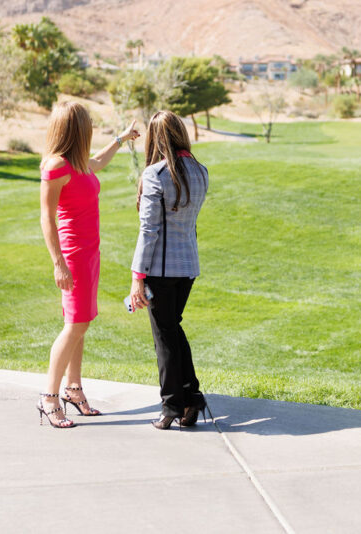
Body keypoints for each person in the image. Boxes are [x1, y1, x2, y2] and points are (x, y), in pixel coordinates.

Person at [38, 101, 140, 428]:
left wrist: (122, 139)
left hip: (90, 254)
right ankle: (49, 397)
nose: (91, 128)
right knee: (75, 325)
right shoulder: (56, 166)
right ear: (75, 129)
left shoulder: (79, 163)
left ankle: (74, 389)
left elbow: (98, 161)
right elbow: (46, 218)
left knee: (81, 322)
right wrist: (58, 263)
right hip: (72, 256)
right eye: (87, 124)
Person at [129, 111, 209, 430]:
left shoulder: (155, 174)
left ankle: (172, 404)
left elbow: (148, 230)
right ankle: (191, 398)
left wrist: (137, 278)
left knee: (164, 336)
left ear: (154, 137)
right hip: (188, 265)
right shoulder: (200, 171)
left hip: (160, 270)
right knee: (172, 329)